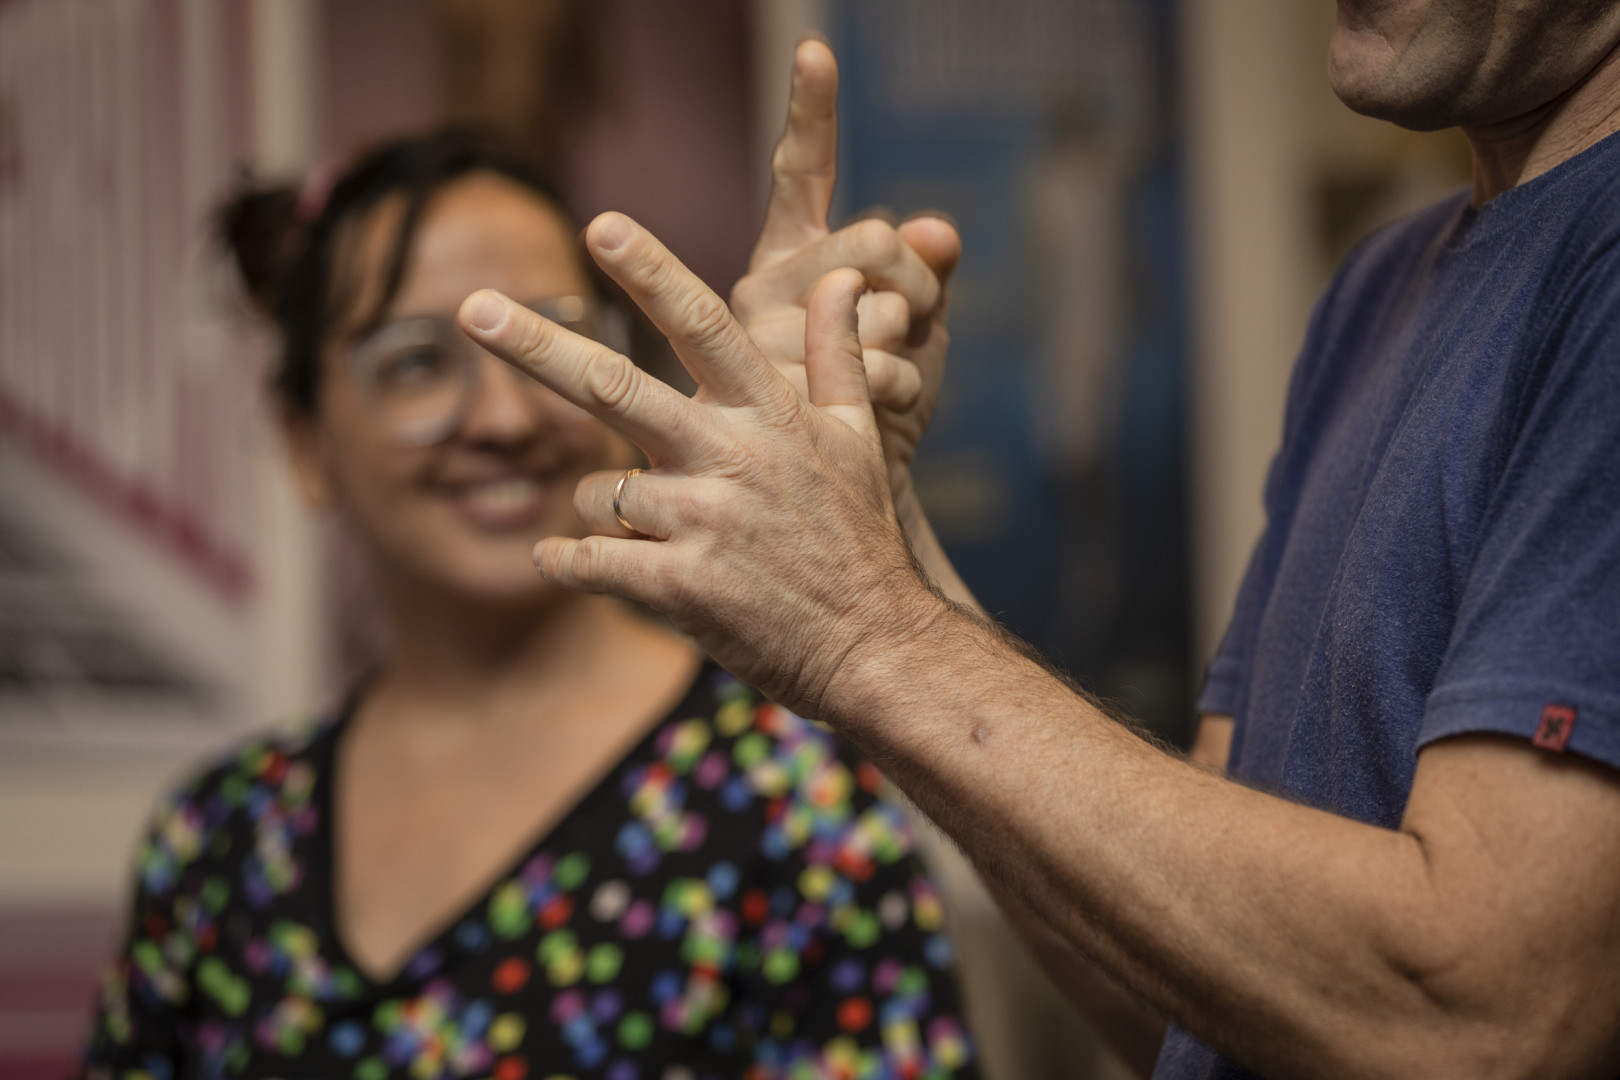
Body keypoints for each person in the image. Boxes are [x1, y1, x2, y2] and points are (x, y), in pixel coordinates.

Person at [455, 14, 1620, 1079]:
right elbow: (1196, 989)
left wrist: (861, 624)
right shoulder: (1379, 287)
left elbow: (1484, 1016)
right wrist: (881, 527)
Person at [80, 130, 982, 1080]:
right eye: (417, 363)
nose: (505, 420)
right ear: (305, 441)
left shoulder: (792, 800)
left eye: (546, 344)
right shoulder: (220, 842)